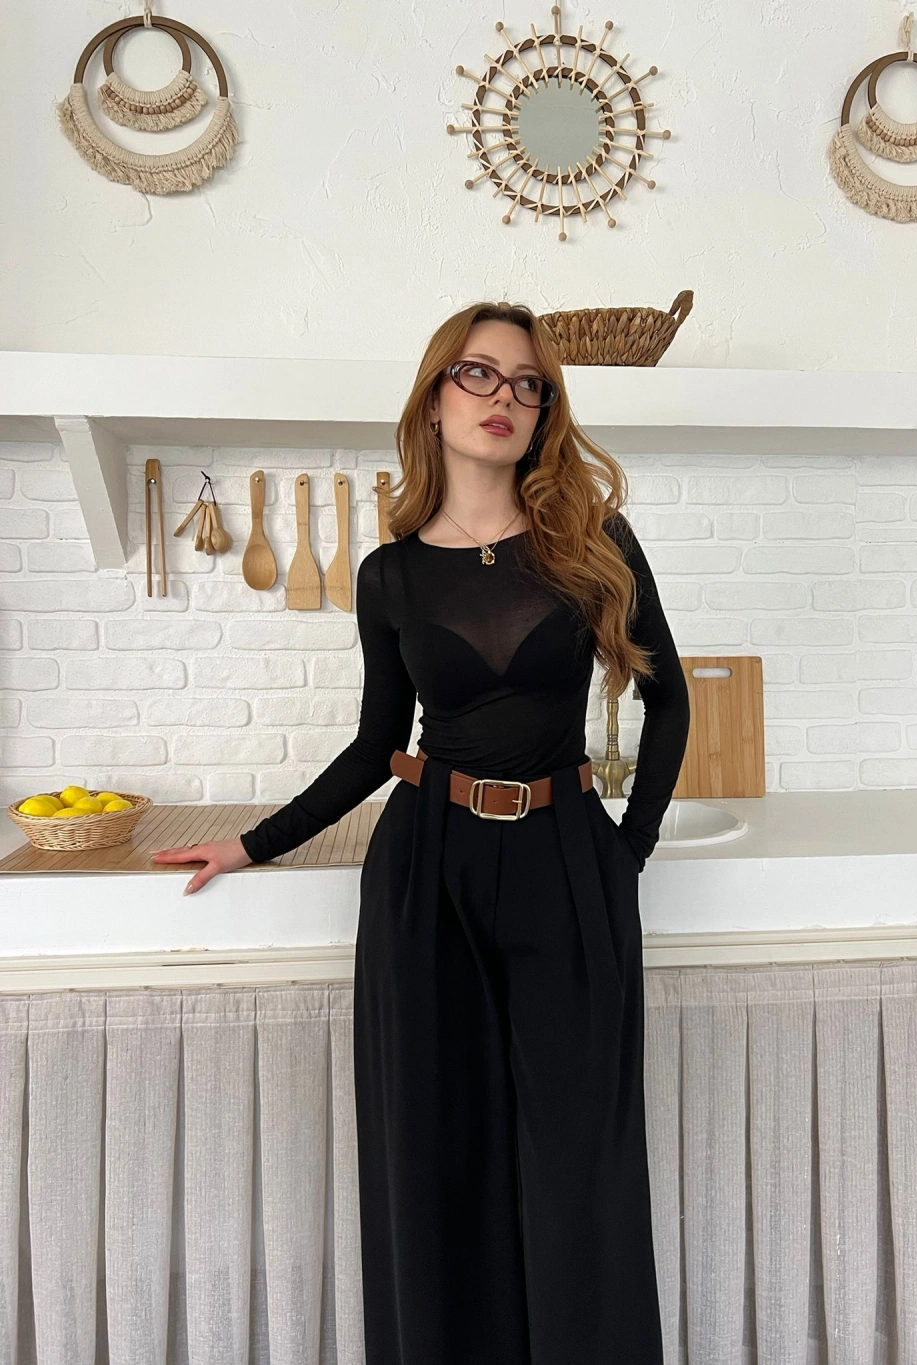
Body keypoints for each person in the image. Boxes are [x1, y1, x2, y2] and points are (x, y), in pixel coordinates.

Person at [152, 299, 690, 1364]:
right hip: (427, 870)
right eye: (478, 374)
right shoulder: (390, 574)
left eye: (528, 384)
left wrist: (625, 850)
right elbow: (374, 745)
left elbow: (668, 698)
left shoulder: (594, 542)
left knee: (579, 1162)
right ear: (434, 398)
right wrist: (253, 842)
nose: (504, 397)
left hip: (566, 861)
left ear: (545, 413)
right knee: (435, 1156)